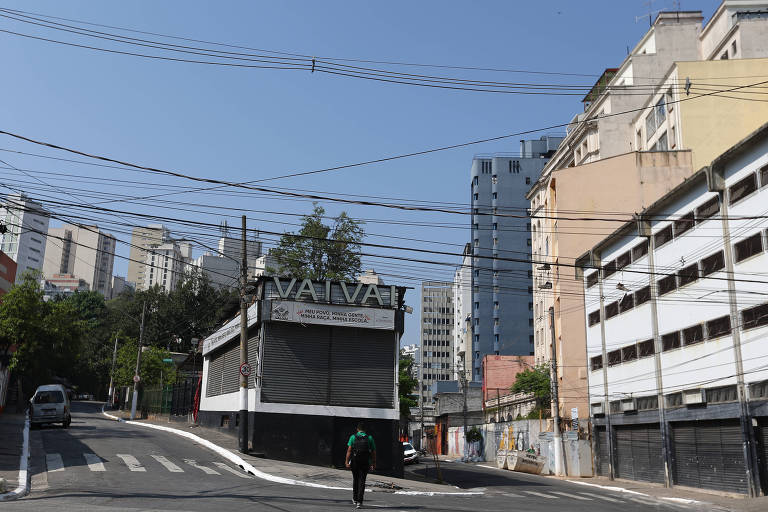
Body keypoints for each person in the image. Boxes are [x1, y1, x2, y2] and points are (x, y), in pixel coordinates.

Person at [345, 422, 376, 509]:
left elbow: (349, 451)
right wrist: (374, 463)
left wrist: (347, 461)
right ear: (365, 430)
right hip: (365, 462)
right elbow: (373, 452)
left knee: (356, 479)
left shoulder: (353, 437)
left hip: (355, 462)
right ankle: (359, 502)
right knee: (362, 481)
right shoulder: (369, 438)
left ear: (357, 429)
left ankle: (354, 499)